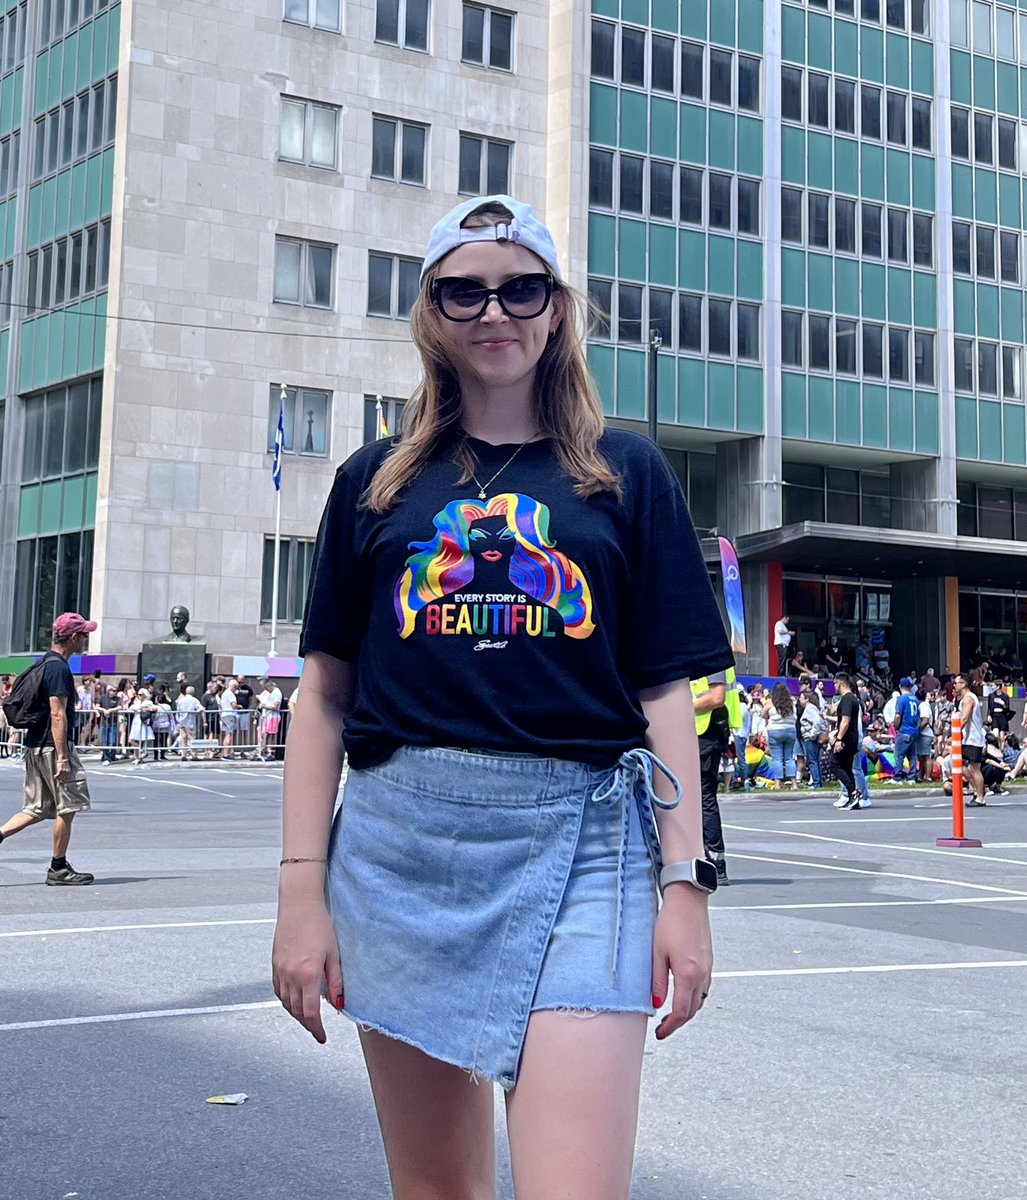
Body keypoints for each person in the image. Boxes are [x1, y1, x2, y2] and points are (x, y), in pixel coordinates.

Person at [270, 194, 733, 1200]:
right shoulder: (373, 484)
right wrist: (300, 894)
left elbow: (664, 690)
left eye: (521, 287)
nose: (495, 312)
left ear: (557, 308)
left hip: (587, 846)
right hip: (400, 850)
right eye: (464, 291)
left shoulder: (626, 473)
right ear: (431, 312)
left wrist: (685, 886)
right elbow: (323, 697)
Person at [0, 613, 96, 884]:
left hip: (34, 746)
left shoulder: (44, 662)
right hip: (52, 747)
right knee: (69, 805)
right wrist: (63, 757)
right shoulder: (59, 668)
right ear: (74, 637)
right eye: (84, 635)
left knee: (36, 808)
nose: (86, 639)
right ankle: (58, 867)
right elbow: (57, 713)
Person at [691, 671, 735, 885]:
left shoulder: (707, 654)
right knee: (699, 799)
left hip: (704, 734)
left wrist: (679, 710)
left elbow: (717, 697)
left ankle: (714, 861)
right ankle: (709, 859)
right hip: (702, 733)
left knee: (703, 798)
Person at [829, 672, 863, 810]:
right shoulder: (852, 699)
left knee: (834, 764)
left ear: (841, 683)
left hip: (847, 739)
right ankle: (852, 797)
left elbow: (845, 720)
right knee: (847, 767)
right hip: (851, 737)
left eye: (835, 684)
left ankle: (854, 792)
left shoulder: (848, 699)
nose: (834, 687)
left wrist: (839, 739)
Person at [954, 673, 987, 807]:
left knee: (975, 768)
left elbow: (965, 718)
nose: (955, 685)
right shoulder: (964, 698)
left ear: (963, 684)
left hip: (973, 738)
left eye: (957, 683)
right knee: (959, 764)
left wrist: (955, 733)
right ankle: (976, 790)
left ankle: (980, 797)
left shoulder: (969, 698)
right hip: (968, 738)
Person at [763, 682, 799, 792]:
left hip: (775, 731)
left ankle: (778, 784)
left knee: (777, 759)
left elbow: (763, 715)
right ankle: (794, 784)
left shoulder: (770, 702)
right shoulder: (792, 702)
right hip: (790, 731)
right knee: (789, 758)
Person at [888, 677, 920, 784]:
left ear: (900, 686)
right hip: (914, 730)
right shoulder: (915, 699)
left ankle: (897, 777)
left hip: (904, 730)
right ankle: (912, 777)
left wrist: (896, 727)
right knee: (913, 756)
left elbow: (898, 716)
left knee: (899, 755)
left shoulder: (902, 699)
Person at [799, 688, 828, 789]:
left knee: (812, 761)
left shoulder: (809, 708)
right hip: (815, 738)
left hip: (811, 739)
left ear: (807, 699)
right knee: (816, 760)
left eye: (801, 698)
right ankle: (818, 781)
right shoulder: (814, 708)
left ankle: (816, 782)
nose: (799, 699)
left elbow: (817, 722)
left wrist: (812, 735)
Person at [175, 686, 205, 759]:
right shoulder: (194, 700)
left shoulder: (181, 701)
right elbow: (201, 708)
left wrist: (178, 721)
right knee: (192, 739)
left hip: (182, 722)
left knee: (183, 739)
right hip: (190, 722)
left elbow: (177, 712)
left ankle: (183, 755)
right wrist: (198, 714)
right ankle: (194, 755)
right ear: (193, 692)